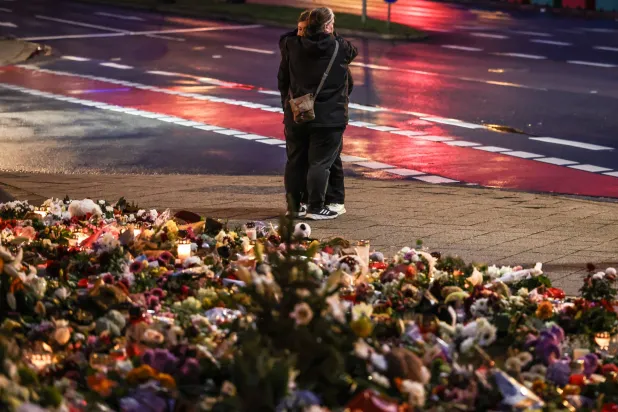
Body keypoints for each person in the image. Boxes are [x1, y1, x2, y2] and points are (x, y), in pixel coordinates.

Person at [278, 7, 357, 220]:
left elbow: (283, 80)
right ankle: (315, 206)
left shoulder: (291, 45)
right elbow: (352, 52)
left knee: (295, 161)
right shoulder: (338, 46)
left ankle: (294, 206)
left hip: (297, 113)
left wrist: (287, 106)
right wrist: (329, 31)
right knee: (320, 162)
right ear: (328, 26)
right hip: (328, 117)